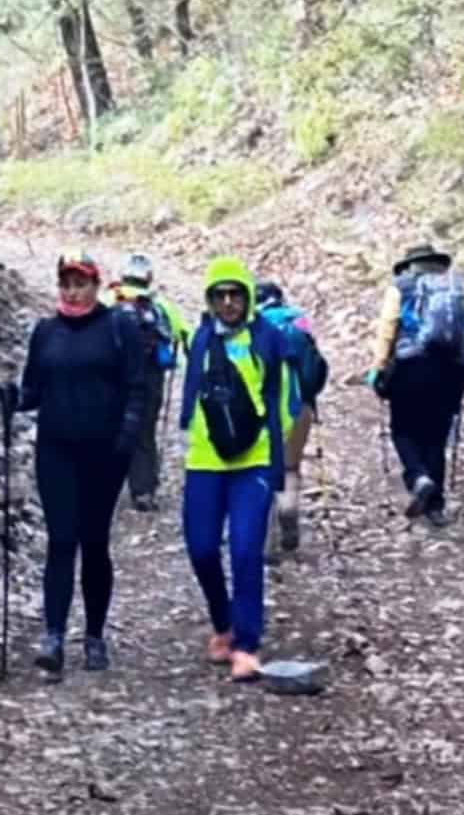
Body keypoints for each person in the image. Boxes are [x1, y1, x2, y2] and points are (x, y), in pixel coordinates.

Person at [0, 251, 146, 677]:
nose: (72, 290)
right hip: (56, 451)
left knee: (94, 542)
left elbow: (136, 387)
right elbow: (34, 391)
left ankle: (95, 635)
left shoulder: (119, 327)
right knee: (61, 540)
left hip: (105, 453)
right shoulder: (45, 333)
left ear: (96, 286)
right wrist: (14, 399)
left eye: (80, 283)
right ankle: (55, 637)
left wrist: (127, 436)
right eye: (66, 283)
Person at [179, 256, 294, 682]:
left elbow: (284, 397)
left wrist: (279, 458)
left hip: (254, 459)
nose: (228, 303)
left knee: (246, 550)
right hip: (205, 460)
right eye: (220, 295)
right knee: (202, 548)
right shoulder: (200, 339)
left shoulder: (269, 339)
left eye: (235, 294)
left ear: (247, 298)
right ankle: (222, 622)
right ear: (209, 300)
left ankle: (246, 644)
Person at [367, 244, 464, 527]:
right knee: (435, 438)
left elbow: (388, 328)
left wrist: (378, 367)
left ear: (410, 264)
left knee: (403, 429)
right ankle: (435, 506)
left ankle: (417, 476)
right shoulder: (454, 288)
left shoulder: (401, 287)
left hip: (410, 367)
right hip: (451, 371)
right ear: (437, 264)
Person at [103, 251, 193, 511]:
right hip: (149, 375)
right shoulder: (160, 304)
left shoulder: (109, 299)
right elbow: (185, 334)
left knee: (110, 428)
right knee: (144, 432)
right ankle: (143, 490)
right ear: (149, 278)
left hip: (113, 375)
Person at [255, 280, 328, 553]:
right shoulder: (299, 322)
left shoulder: (251, 325)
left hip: (262, 410)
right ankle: (289, 508)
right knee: (289, 467)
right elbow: (317, 368)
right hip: (300, 408)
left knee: (261, 470)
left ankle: (267, 544)